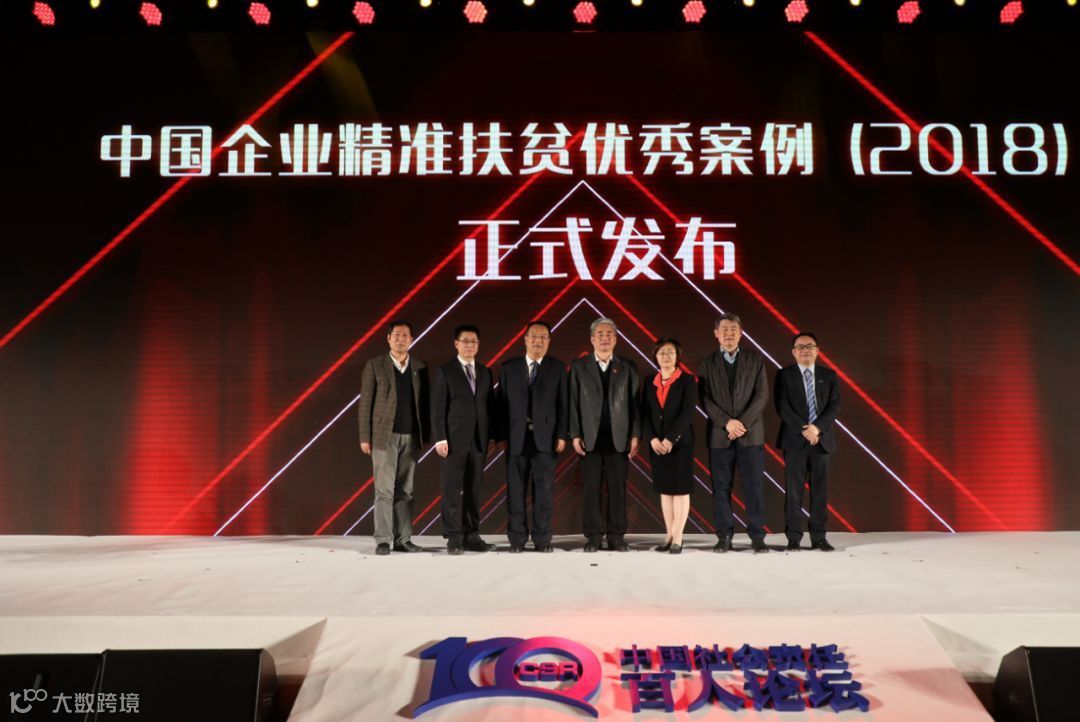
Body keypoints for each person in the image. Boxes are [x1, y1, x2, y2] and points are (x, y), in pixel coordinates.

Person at [698, 313, 770, 553]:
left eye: (733, 330)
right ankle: (724, 535)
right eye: (724, 330)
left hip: (751, 435)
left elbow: (762, 395)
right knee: (721, 488)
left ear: (741, 333)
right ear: (716, 333)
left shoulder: (755, 359)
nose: (729, 334)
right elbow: (705, 399)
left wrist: (741, 424)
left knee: (754, 487)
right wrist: (727, 423)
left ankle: (757, 536)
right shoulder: (707, 364)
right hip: (720, 436)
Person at [358, 320, 429, 556]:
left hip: (412, 436)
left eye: (405, 335)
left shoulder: (419, 367)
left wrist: (426, 434)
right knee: (384, 491)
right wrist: (365, 436)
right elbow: (365, 404)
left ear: (412, 339)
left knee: (406, 491)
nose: (401, 339)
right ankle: (383, 540)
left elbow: (424, 403)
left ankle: (403, 539)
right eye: (396, 335)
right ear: (388, 338)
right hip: (383, 437)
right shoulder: (375, 365)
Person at [496, 321, 568, 553]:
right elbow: (501, 405)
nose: (538, 341)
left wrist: (562, 435)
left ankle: (542, 539)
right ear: (525, 339)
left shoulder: (558, 368)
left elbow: (563, 404)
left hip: (546, 439)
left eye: (543, 337)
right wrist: (500, 436)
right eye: (534, 336)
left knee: (544, 492)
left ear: (549, 341)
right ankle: (517, 539)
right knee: (515, 492)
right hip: (515, 438)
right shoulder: (508, 368)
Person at [569, 317, 640, 553]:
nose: (605, 338)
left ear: (616, 339)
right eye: (600, 334)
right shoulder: (579, 366)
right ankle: (594, 536)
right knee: (591, 489)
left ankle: (616, 536)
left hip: (619, 437)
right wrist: (575, 434)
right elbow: (573, 403)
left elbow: (635, 404)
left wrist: (635, 434)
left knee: (617, 489)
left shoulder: (628, 366)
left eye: (609, 334)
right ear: (592, 339)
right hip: (589, 437)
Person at [431, 324, 497, 555]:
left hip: (479, 440)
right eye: (465, 341)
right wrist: (440, 438)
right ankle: (454, 537)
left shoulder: (485, 371)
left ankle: (471, 535)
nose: (470, 345)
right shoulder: (445, 371)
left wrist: (492, 436)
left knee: (473, 489)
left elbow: (490, 406)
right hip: (453, 440)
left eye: (474, 341)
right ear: (456, 344)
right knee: (451, 490)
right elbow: (437, 407)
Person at [774, 332, 840, 552]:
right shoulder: (784, 375)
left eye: (809, 346)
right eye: (800, 347)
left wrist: (816, 428)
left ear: (817, 351)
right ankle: (793, 537)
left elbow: (834, 407)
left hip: (822, 440)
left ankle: (819, 537)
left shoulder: (829, 375)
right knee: (793, 492)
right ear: (793, 352)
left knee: (820, 492)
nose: (805, 350)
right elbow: (782, 406)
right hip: (795, 441)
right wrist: (806, 430)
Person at [640, 338, 698, 555]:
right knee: (665, 490)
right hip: (657, 445)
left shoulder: (687, 380)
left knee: (680, 490)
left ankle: (678, 536)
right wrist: (653, 439)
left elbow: (688, 412)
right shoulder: (649, 381)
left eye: (670, 352)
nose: (666, 356)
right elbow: (644, 413)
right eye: (662, 352)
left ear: (677, 356)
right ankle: (669, 534)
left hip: (680, 443)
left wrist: (670, 439)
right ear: (656, 356)